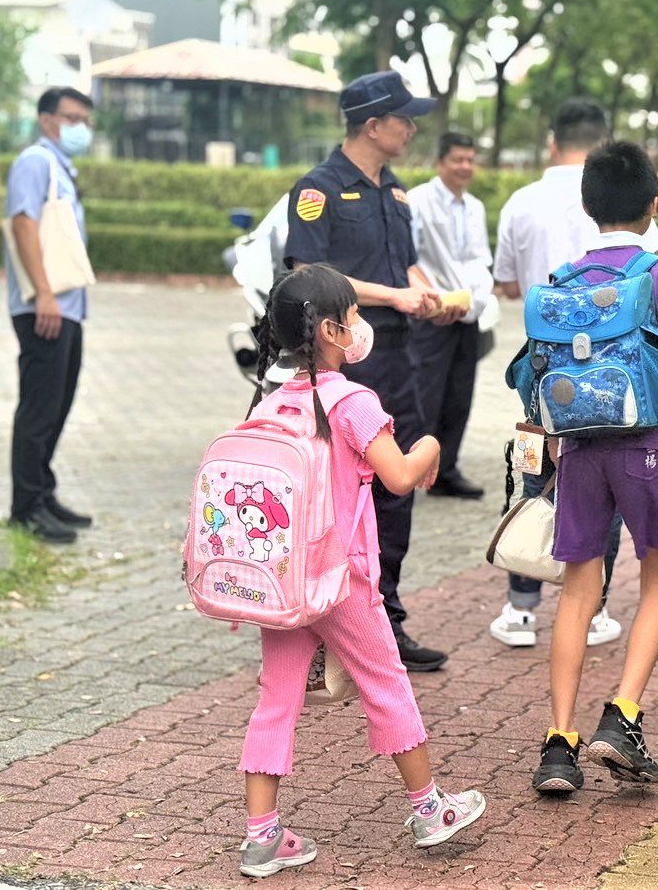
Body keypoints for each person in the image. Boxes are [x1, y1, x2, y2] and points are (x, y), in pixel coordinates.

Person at [237, 265, 484, 877]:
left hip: (286, 580)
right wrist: (430, 447)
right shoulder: (352, 401)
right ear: (330, 331)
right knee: (386, 682)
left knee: (277, 697)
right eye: (351, 318)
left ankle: (262, 837)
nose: (358, 326)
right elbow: (399, 476)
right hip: (341, 577)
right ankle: (430, 810)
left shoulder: (273, 402)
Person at [531, 142, 658, 793]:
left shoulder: (562, 278)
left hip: (576, 449)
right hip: (646, 449)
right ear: (653, 204)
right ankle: (622, 715)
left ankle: (558, 743)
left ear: (587, 204)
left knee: (579, 587)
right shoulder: (657, 275)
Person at [284, 71, 446, 673]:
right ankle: (325, 619)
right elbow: (309, 275)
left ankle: (384, 614)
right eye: (404, 119)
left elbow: (408, 267)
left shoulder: (395, 191)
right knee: (335, 486)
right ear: (373, 126)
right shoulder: (319, 189)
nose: (411, 128)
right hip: (342, 359)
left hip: (402, 353)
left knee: (394, 485)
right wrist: (394, 297)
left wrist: (426, 294)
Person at [488, 99, 655, 649]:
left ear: (554, 142)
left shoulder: (522, 202)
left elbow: (508, 284)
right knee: (600, 485)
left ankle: (521, 608)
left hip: (545, 372)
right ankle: (594, 608)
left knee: (540, 475)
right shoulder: (640, 224)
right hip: (618, 380)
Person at [4, 87, 97, 544]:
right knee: (39, 409)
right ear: (46, 119)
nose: (80, 127)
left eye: (85, 119)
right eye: (71, 117)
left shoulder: (61, 168)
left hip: (67, 307)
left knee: (57, 405)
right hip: (45, 306)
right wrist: (44, 294)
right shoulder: (35, 162)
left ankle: (42, 491)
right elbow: (24, 222)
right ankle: (26, 508)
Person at [406, 131, 494, 500]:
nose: (465, 166)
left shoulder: (474, 206)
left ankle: (447, 469)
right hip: (431, 315)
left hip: (468, 314)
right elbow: (408, 258)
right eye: (458, 159)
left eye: (471, 159)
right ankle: (411, 470)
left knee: (459, 394)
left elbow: (479, 260)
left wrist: (476, 299)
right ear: (440, 162)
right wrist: (434, 298)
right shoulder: (417, 201)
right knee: (426, 393)